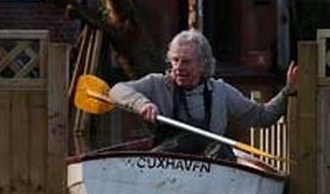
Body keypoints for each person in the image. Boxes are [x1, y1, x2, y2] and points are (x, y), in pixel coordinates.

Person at [109, 29, 299, 161]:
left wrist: (287, 91)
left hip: (211, 167)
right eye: (174, 60)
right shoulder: (157, 84)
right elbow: (116, 90)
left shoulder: (221, 92)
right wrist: (141, 104)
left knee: (222, 150)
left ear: (203, 64)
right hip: (166, 165)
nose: (178, 68)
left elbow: (262, 117)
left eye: (186, 62)